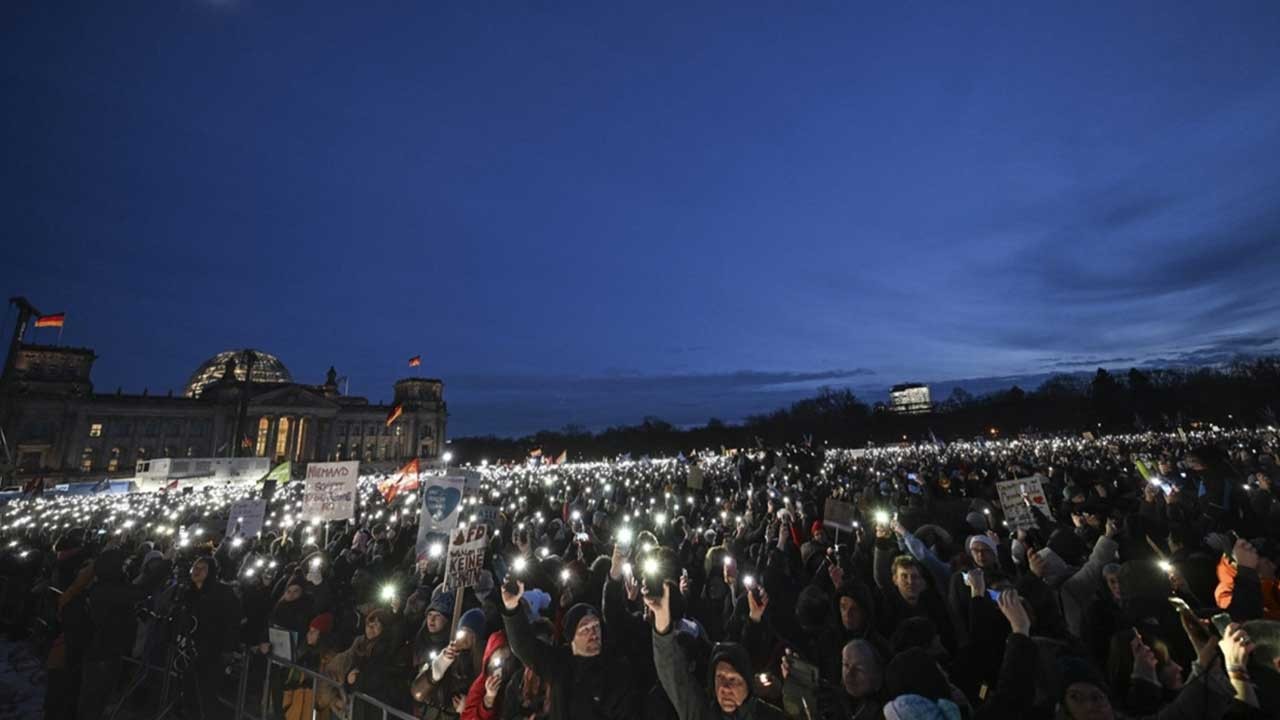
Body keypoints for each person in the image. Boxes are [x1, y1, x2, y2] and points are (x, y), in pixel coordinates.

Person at [500, 579, 641, 720]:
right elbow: (524, 646)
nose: (593, 633)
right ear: (571, 636)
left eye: (596, 626)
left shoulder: (615, 668)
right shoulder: (558, 663)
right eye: (585, 628)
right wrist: (512, 608)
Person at [645, 582, 783, 720]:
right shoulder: (701, 714)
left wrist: (754, 618)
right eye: (720, 678)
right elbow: (673, 672)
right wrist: (661, 617)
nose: (725, 688)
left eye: (733, 679)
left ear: (749, 683)